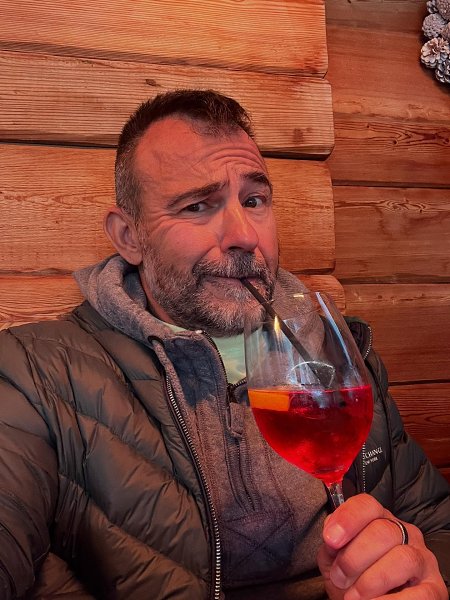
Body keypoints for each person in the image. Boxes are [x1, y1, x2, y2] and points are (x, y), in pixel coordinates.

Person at [0, 90, 448, 600]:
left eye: (254, 201)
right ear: (129, 236)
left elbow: (435, 523)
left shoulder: (341, 353)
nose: (244, 235)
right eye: (198, 206)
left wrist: (422, 569)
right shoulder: (33, 374)